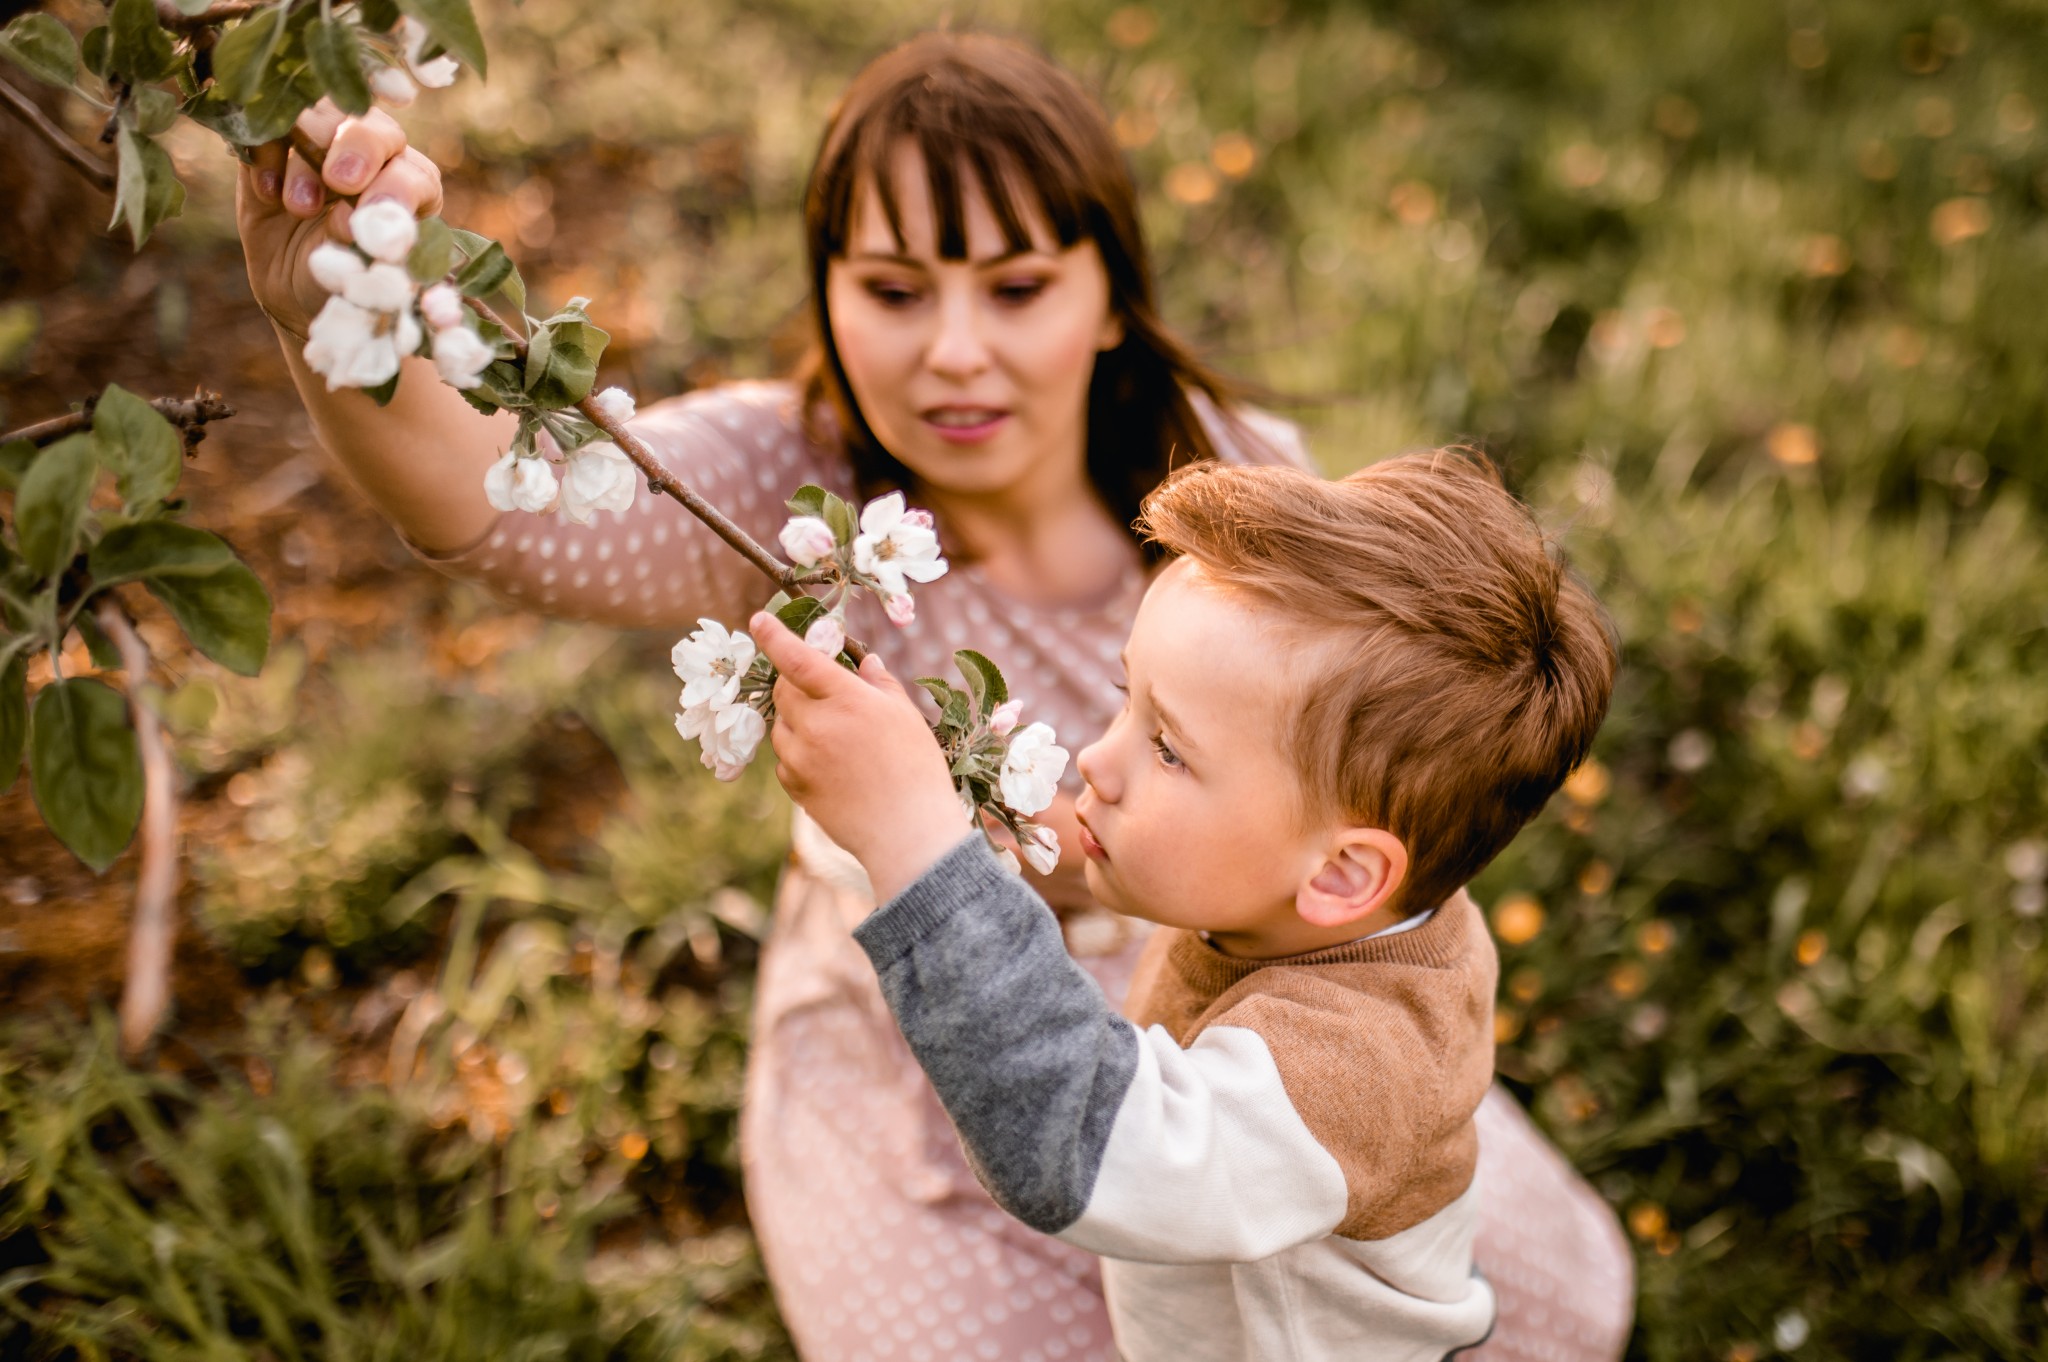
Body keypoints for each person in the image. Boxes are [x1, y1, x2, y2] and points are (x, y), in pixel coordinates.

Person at [235, 29, 1635, 1362]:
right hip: (919, 1055)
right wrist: (328, 314)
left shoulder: (1231, 494)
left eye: (1017, 287)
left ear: (1107, 297)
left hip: (1225, 1003)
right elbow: (491, 505)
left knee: (1522, 1298)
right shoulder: (779, 487)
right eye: (896, 290)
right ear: (830, 297)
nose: (955, 350)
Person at [748, 450, 1616, 1361]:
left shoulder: (1347, 1074)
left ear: (1341, 877)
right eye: (1129, 698)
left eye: (1169, 750)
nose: (1096, 760)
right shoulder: (1351, 887)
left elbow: (1073, 1138)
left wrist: (913, 841)